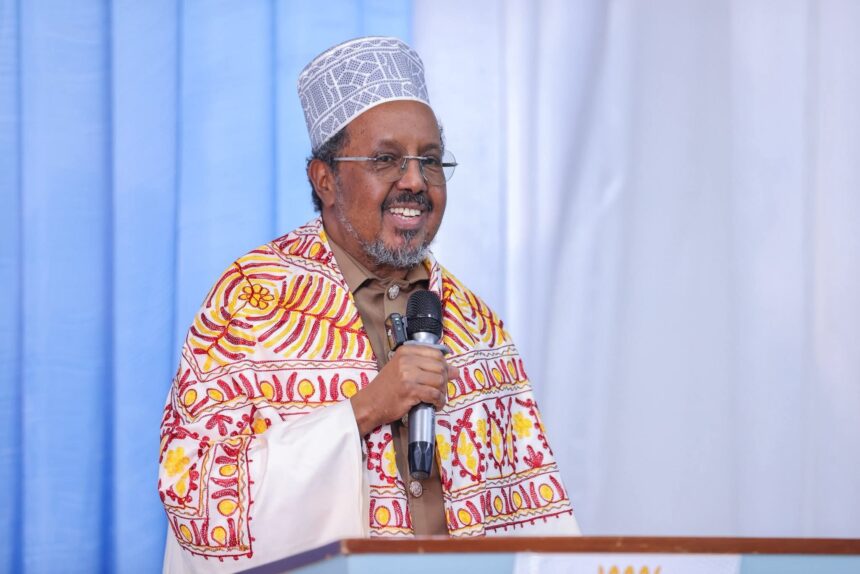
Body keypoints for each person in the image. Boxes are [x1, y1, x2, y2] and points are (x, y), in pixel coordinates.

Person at [159, 36, 579, 573]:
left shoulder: (477, 325)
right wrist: (365, 410)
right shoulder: (250, 303)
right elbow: (195, 494)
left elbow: (536, 523)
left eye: (430, 161)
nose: (415, 181)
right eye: (386, 159)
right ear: (325, 179)